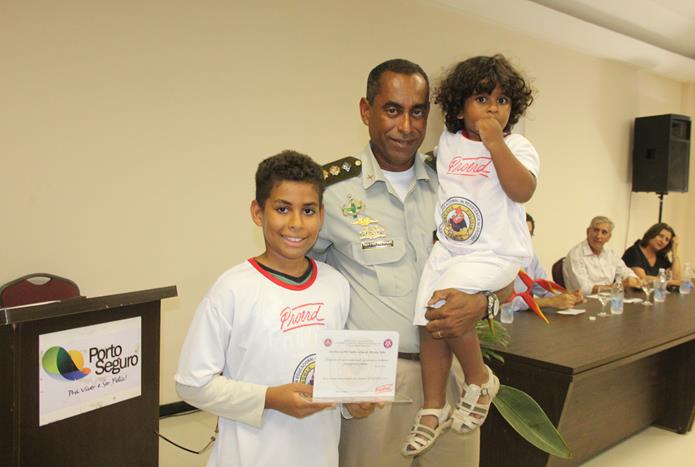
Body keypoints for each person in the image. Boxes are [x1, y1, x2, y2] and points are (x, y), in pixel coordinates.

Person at [312, 59, 508, 467]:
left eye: (417, 112)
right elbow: (301, 290)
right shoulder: (329, 192)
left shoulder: (457, 181)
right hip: (373, 381)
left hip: (452, 374)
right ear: (366, 110)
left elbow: (504, 275)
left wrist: (481, 304)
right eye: (392, 110)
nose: (406, 126)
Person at [175, 151, 370, 467]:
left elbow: (335, 374)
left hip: (318, 456)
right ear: (258, 212)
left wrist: (351, 403)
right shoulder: (232, 289)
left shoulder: (336, 285)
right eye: (282, 209)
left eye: (308, 210)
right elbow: (191, 384)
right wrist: (268, 398)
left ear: (322, 215)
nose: (296, 223)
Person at [406, 54, 538, 456]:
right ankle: (433, 407)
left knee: (447, 302)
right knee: (428, 317)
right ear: (460, 106)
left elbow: (522, 191)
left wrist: (495, 143)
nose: (493, 108)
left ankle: (479, 379)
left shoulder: (517, 145)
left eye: (502, 100)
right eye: (482, 99)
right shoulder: (447, 144)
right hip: (451, 249)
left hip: (495, 250)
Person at [512, 213, 584, 311]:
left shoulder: (531, 258)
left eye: (529, 235)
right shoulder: (496, 260)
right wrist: (549, 301)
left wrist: (567, 297)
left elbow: (544, 290)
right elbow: (505, 302)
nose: (525, 240)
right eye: (521, 233)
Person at [563, 215, 641, 295]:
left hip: (609, 297)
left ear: (609, 237)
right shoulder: (576, 255)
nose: (598, 236)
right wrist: (618, 286)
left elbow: (625, 272)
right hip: (585, 300)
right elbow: (584, 289)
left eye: (604, 232)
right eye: (596, 230)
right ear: (588, 232)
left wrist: (632, 279)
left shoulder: (611, 253)